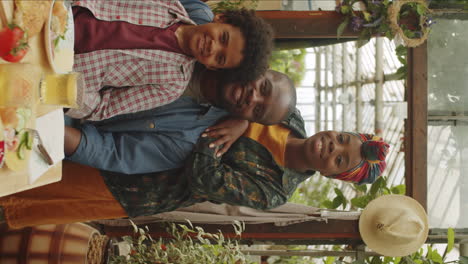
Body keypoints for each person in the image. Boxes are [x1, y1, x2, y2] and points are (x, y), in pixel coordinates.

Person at [0, 107, 389, 228]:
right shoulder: (289, 112)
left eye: (339, 159)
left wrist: (234, 124)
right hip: (145, 123)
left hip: (134, 181)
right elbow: (249, 88)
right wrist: (241, 117)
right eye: (340, 138)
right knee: (38, 129)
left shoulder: (274, 190)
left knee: (30, 180)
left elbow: (207, 178)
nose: (331, 146)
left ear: (333, 174)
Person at [66, 1, 273, 121]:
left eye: (220, 57)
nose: (213, 46)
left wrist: (67, 91)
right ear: (221, 19)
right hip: (58, 14)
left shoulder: (172, 86)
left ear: (212, 67)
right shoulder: (167, 4)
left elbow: (104, 107)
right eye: (223, 38)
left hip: (61, 71)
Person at [64, 69, 295, 174]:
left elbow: (113, 152)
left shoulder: (193, 140)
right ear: (261, 67)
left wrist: (54, 131)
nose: (252, 97)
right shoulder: (212, 42)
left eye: (257, 110)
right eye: (263, 87)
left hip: (65, 113)